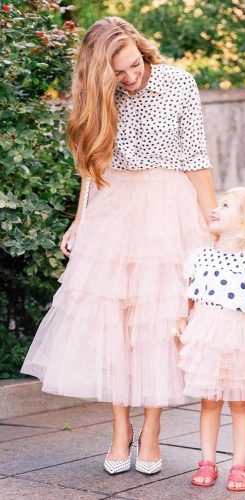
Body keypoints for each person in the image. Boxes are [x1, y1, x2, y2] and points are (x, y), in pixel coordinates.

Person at [20, 16, 217, 475]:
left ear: (142, 50)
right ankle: (119, 430)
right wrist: (79, 220)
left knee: (160, 322)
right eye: (119, 74)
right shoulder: (100, 96)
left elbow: (197, 159)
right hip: (115, 207)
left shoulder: (177, 83)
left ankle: (151, 430)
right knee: (116, 325)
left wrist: (214, 231)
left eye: (134, 66)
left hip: (168, 207)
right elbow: (93, 166)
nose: (131, 78)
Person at [174, 187, 245, 491]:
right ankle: (207, 461)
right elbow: (189, 298)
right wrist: (182, 321)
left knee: (239, 405)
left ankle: (239, 465)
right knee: (209, 402)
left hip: (240, 337)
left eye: (226, 205)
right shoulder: (200, 257)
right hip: (205, 334)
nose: (215, 208)